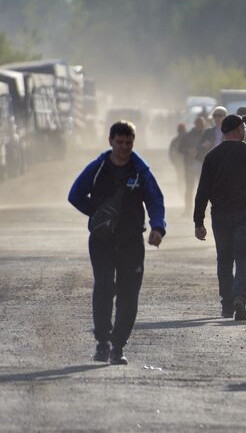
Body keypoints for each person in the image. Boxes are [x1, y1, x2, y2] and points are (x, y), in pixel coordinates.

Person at [68, 121, 166, 365]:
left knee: (129, 293)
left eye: (128, 142)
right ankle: (102, 343)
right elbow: (75, 194)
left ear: (133, 142)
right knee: (103, 288)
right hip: (102, 240)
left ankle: (118, 346)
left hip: (131, 240)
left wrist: (158, 227)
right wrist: (97, 213)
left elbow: (155, 200)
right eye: (119, 142)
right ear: (110, 141)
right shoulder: (98, 167)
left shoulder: (141, 171)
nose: (124, 147)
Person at [194, 114, 246, 321]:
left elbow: (202, 191)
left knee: (224, 259)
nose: (245, 130)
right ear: (239, 130)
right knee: (244, 258)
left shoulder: (212, 156)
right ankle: (240, 296)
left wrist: (199, 222)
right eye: (243, 127)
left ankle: (227, 304)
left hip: (220, 215)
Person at [179, 116, 206, 215]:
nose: (200, 126)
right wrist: (188, 150)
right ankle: (188, 209)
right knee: (189, 189)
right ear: (196, 124)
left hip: (202, 165)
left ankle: (202, 210)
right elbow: (180, 149)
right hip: (190, 165)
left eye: (202, 124)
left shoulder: (206, 136)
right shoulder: (187, 136)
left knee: (202, 190)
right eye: (199, 124)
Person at [168, 123, 187, 191]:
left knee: (185, 178)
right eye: (181, 130)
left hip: (187, 163)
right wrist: (174, 161)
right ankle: (182, 191)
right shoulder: (175, 141)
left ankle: (184, 191)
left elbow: (170, 153)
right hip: (179, 163)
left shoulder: (188, 139)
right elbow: (171, 153)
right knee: (181, 178)